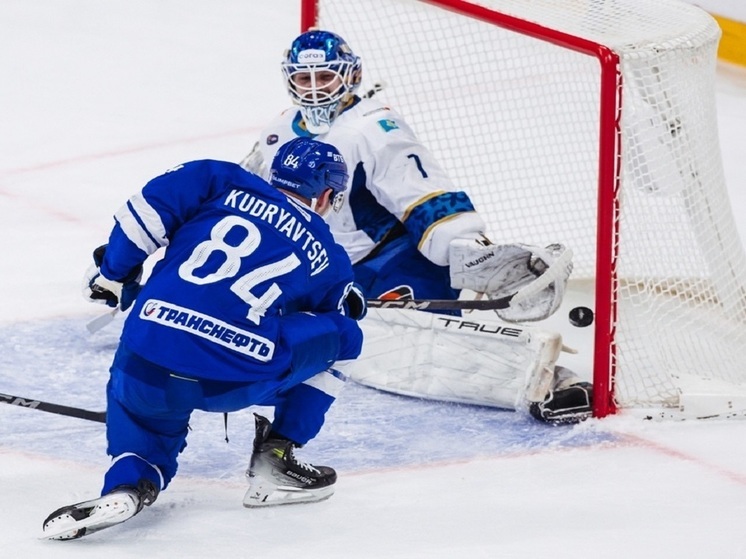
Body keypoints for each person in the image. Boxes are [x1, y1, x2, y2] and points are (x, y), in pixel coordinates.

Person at [240, 29, 593, 425]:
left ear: (350, 76)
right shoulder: (279, 129)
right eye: (305, 79)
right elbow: (251, 194)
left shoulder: (373, 127)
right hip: (327, 265)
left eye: (325, 77)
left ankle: (552, 383)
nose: (315, 90)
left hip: (395, 261)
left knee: (429, 346)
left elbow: (422, 192)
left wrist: (467, 250)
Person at [42, 138, 366, 541]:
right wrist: (351, 297)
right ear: (327, 195)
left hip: (147, 362)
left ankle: (130, 483)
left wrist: (115, 273)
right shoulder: (329, 255)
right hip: (232, 380)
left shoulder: (218, 178)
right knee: (347, 340)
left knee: (145, 425)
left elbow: (140, 219)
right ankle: (277, 455)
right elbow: (336, 311)